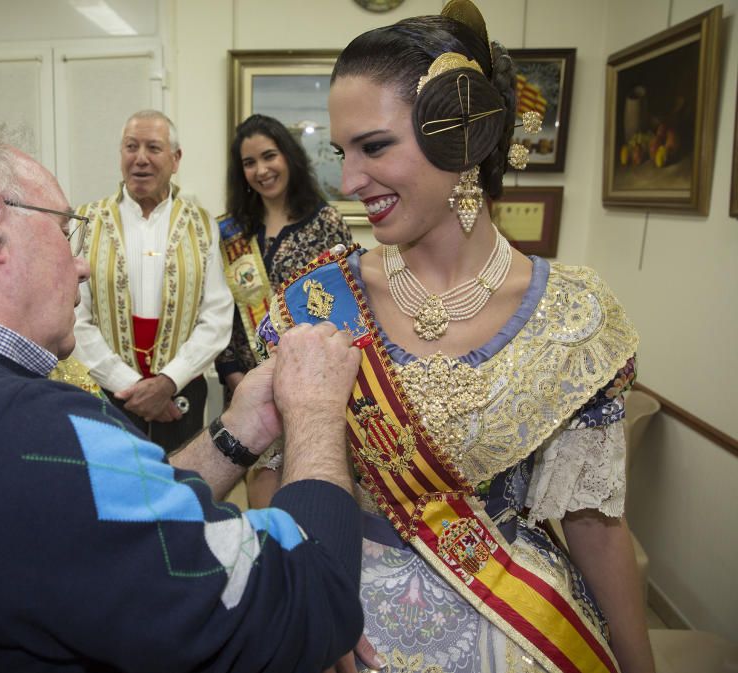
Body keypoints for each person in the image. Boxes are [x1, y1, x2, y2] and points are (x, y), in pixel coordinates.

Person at [0, 113, 368, 673]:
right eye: (65, 233)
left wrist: (241, 431)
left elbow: (105, 514)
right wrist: (315, 412)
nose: (82, 266)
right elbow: (306, 605)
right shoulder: (27, 430)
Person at [254, 2, 656, 672]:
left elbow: (592, 522)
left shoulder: (574, 316)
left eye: (374, 147)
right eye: (341, 153)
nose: (348, 184)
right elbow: (270, 479)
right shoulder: (317, 300)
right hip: (344, 620)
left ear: (464, 137)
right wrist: (305, 613)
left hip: (519, 621)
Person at [72, 110, 233, 452]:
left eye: (153, 148)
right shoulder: (88, 220)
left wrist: (168, 382)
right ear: (120, 155)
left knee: (183, 486)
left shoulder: (202, 223)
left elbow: (217, 314)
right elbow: (75, 316)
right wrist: (129, 385)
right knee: (113, 493)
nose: (140, 158)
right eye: (131, 147)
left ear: (175, 160)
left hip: (182, 393)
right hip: (108, 392)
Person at [216, 114, 354, 505]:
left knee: (309, 502)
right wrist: (233, 375)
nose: (261, 170)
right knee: (262, 514)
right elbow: (220, 311)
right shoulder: (232, 231)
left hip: (311, 388)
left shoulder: (326, 223)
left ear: (289, 157)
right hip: (245, 391)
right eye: (249, 163)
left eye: (269, 156)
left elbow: (344, 309)